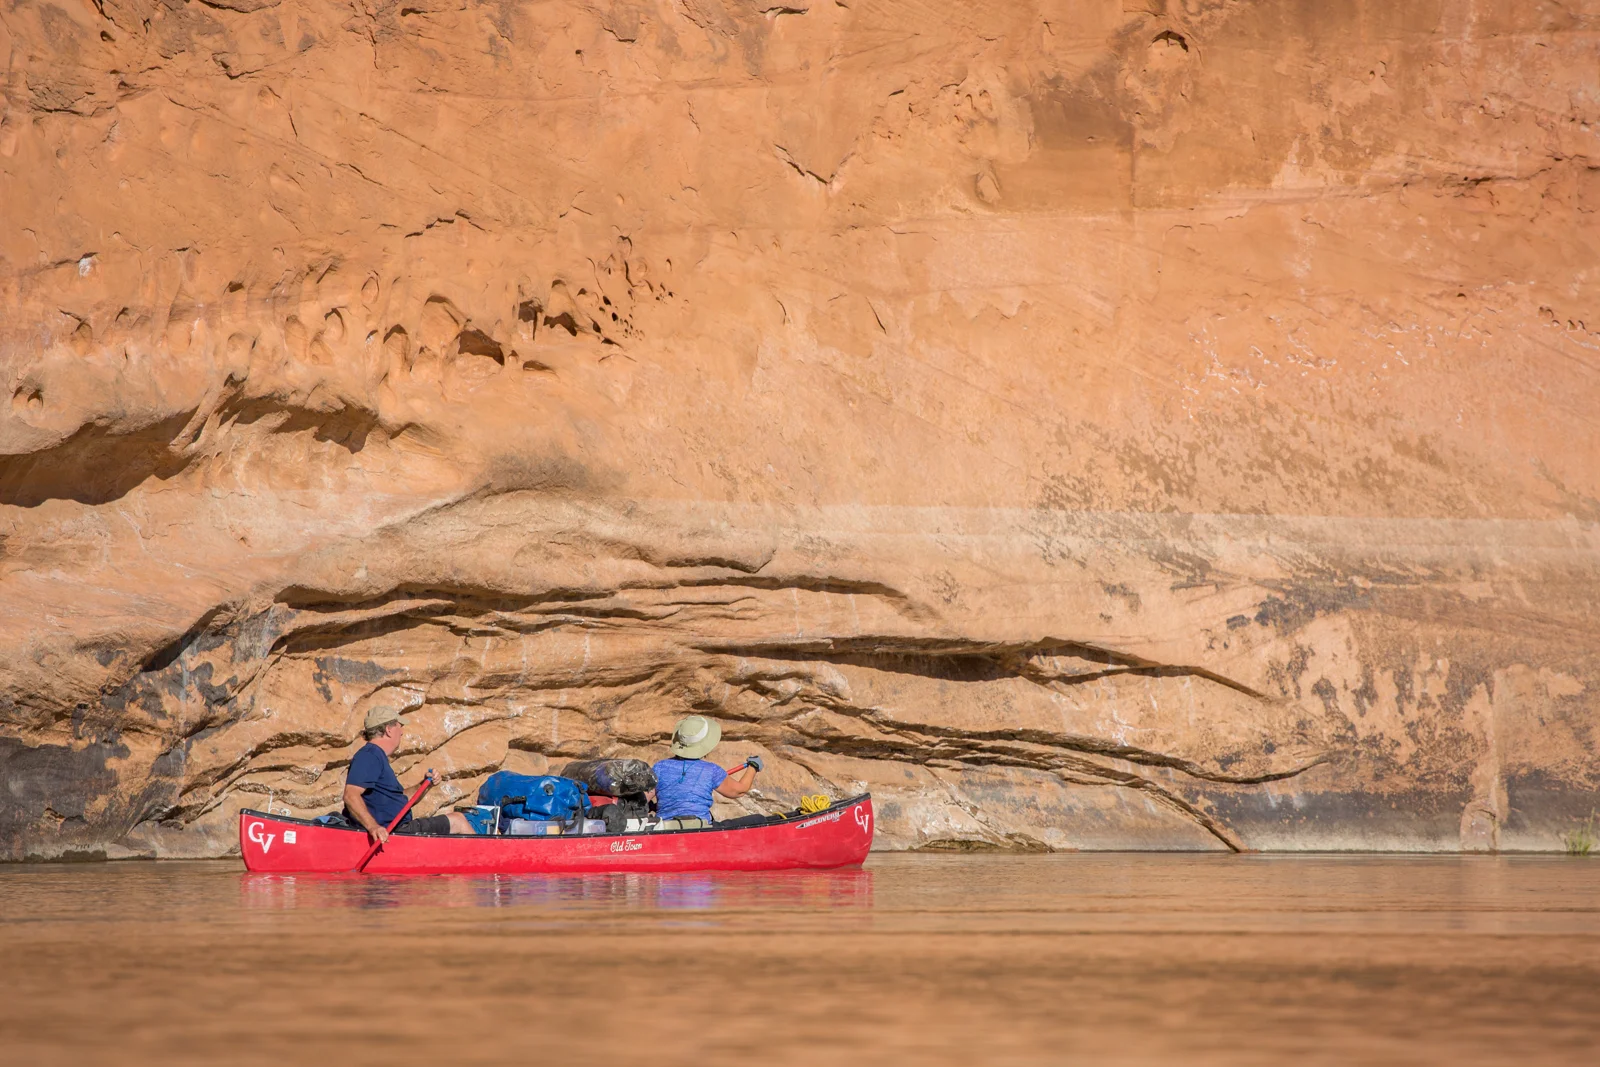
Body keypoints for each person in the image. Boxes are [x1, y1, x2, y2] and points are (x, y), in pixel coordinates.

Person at [344, 706, 477, 840]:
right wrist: (373, 827)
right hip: (393, 832)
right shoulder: (369, 755)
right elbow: (351, 795)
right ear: (388, 730)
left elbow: (402, 800)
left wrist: (425, 784)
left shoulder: (376, 756)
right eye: (399, 726)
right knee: (458, 821)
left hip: (396, 830)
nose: (401, 732)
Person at [651, 715, 763, 829]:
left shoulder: (660, 767)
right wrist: (753, 766)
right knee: (758, 819)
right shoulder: (711, 770)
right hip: (701, 829)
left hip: (665, 829)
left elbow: (644, 798)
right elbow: (739, 791)